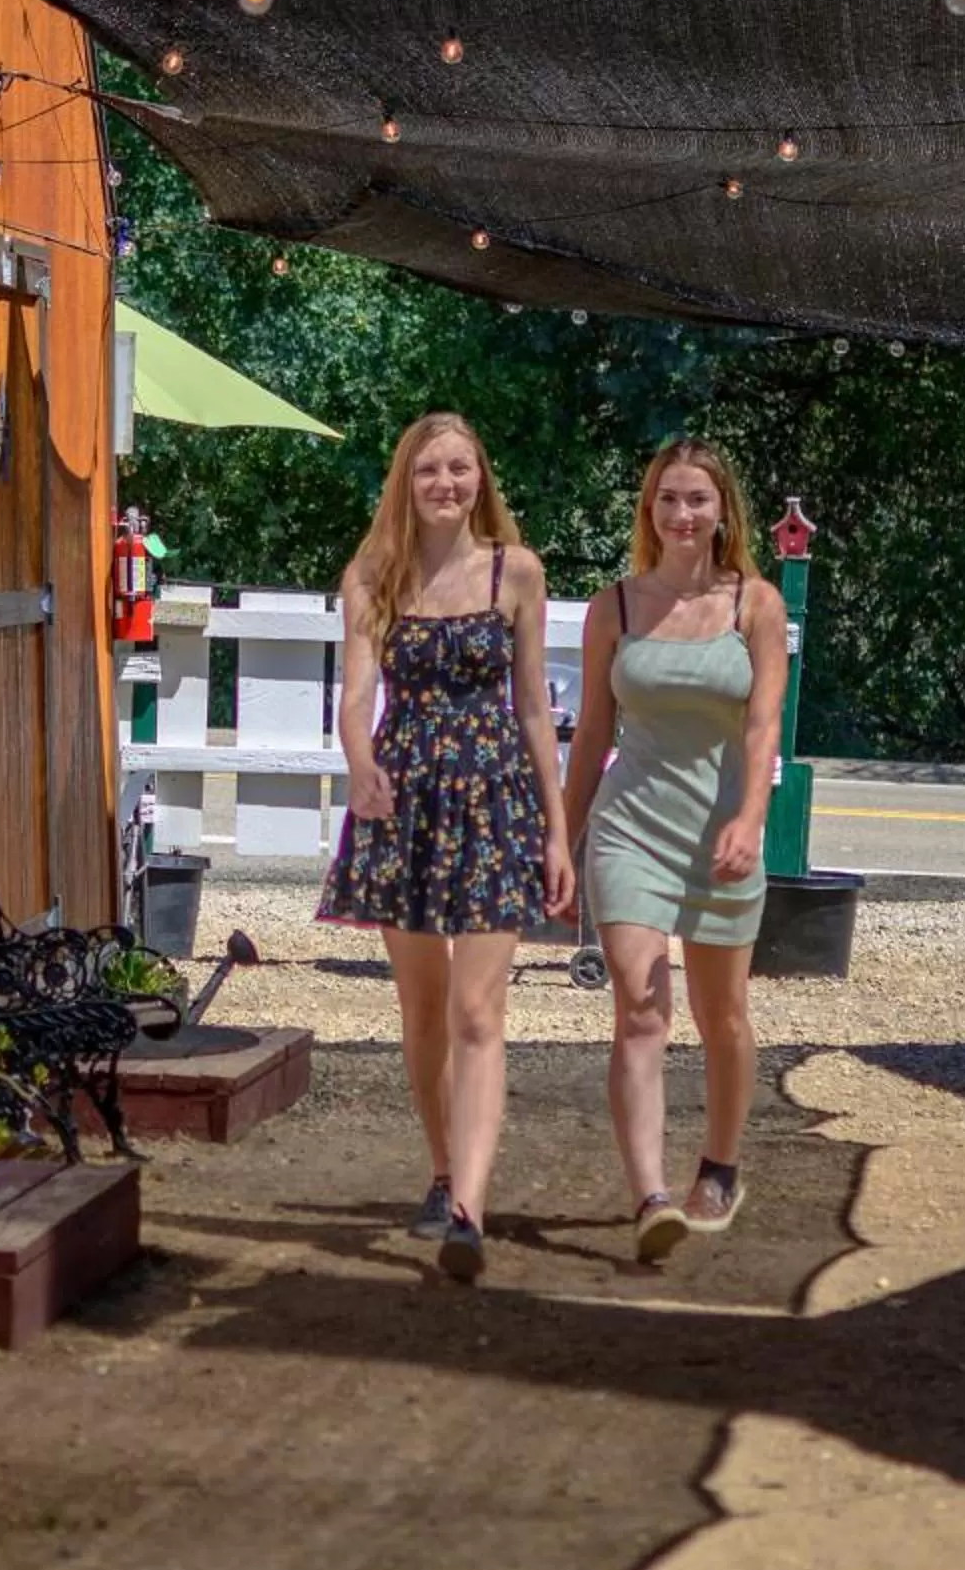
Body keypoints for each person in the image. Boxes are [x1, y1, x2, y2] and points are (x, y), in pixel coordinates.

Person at [318, 412, 576, 1282]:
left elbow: (536, 709)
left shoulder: (517, 573)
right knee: (424, 1010)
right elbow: (356, 698)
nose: (446, 485)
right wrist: (359, 764)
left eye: (461, 469)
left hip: (495, 801)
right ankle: (440, 1170)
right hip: (405, 802)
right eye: (430, 470)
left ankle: (468, 1206)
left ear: (481, 478)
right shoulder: (371, 576)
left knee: (478, 1013)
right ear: (406, 480)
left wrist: (557, 827)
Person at [562, 440, 787, 1264]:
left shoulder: (753, 605)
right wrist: (562, 834)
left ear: (723, 511)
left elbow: (765, 728)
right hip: (631, 830)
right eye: (666, 499)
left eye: (696, 499)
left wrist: (751, 818)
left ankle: (720, 1165)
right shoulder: (614, 607)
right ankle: (650, 1195)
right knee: (640, 1006)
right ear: (647, 509)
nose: (681, 515)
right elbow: (591, 734)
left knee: (721, 1016)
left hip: (723, 831)